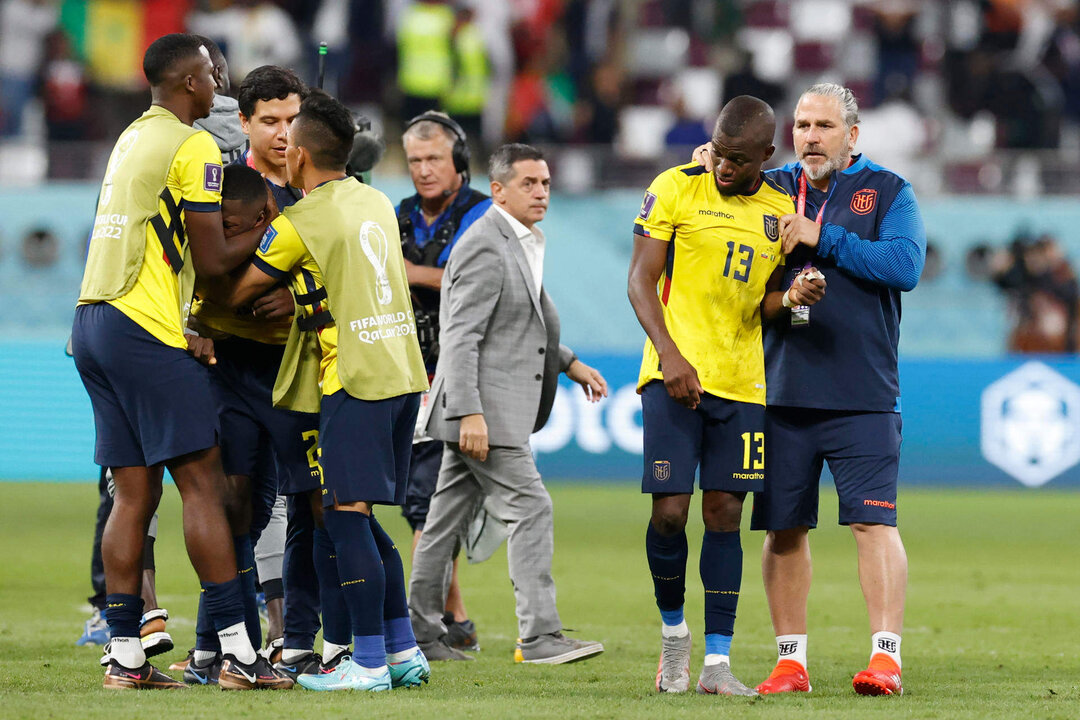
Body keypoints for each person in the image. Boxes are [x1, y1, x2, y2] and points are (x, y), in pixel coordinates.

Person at [69, 32, 290, 690]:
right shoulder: (194, 145)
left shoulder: (135, 135)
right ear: (192, 82)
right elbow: (218, 263)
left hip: (92, 320)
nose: (221, 80)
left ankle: (125, 657)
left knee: (131, 494)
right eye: (214, 71)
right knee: (203, 485)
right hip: (144, 327)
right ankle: (240, 655)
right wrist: (269, 229)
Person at [210, 89, 432, 693]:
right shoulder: (376, 200)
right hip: (403, 375)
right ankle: (404, 648)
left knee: (343, 514)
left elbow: (237, 294)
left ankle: (366, 663)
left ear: (301, 156)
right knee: (361, 517)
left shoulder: (298, 221)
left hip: (352, 379)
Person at [628, 96, 825, 697]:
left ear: (768, 156)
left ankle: (716, 664)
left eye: (738, 160)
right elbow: (640, 280)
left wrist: (791, 301)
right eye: (717, 152)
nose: (723, 167)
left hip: (741, 385)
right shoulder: (675, 187)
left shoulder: (778, 209)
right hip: (673, 376)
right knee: (668, 514)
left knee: (725, 516)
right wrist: (669, 354)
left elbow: (764, 303)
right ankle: (672, 636)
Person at [748, 83, 925, 697]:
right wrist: (710, 162)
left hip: (863, 391)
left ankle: (886, 659)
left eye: (824, 125)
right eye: (801, 125)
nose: (810, 137)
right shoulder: (766, 187)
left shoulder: (891, 192)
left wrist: (823, 239)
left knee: (873, 525)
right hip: (781, 389)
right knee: (783, 529)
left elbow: (905, 267)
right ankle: (790, 662)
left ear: (853, 135)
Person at [409, 143, 609, 665]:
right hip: (484, 411)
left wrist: (568, 363)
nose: (541, 192)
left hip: (483, 407)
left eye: (545, 183)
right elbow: (461, 335)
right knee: (532, 506)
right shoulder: (484, 245)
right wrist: (469, 411)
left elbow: (516, 325)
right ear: (498, 190)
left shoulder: (518, 240)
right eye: (529, 184)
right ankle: (540, 635)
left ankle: (419, 634)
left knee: (443, 523)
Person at [397, 110, 491, 654]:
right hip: (409, 370)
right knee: (431, 501)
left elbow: (469, 281)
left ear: (458, 161)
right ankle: (454, 615)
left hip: (458, 374)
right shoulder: (401, 213)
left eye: (434, 158)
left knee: (430, 501)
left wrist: (405, 271)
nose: (424, 170)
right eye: (414, 160)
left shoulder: (484, 214)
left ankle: (426, 620)